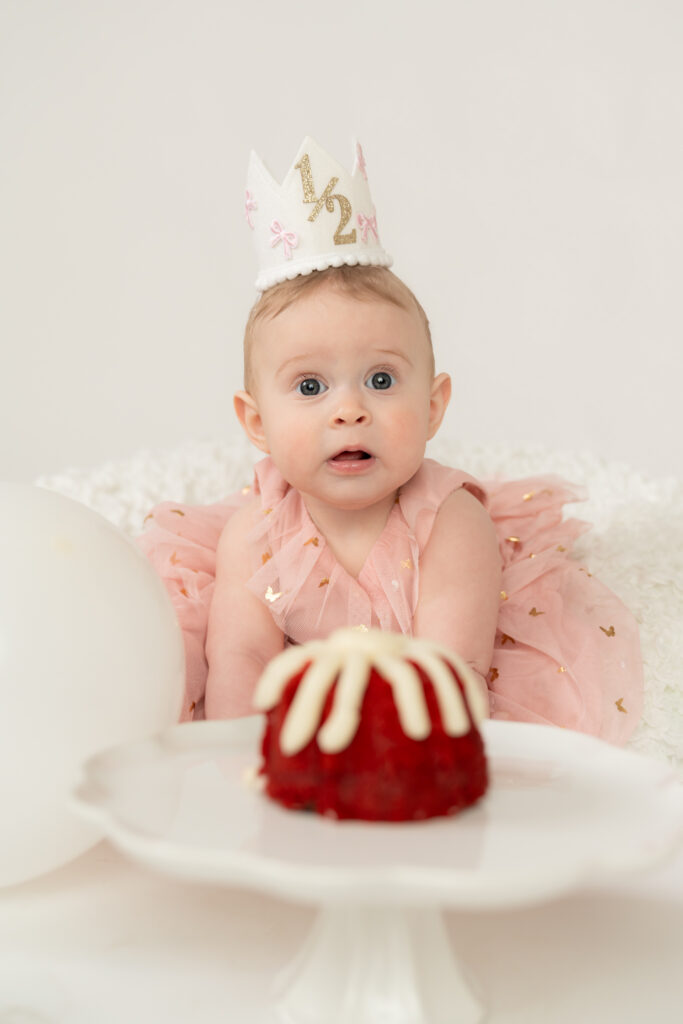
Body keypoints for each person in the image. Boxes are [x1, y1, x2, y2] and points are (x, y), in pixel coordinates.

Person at [139, 137, 643, 742]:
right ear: (256, 425)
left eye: (380, 380)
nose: (349, 410)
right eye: (309, 386)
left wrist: (401, 762)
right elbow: (242, 660)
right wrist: (240, 759)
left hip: (416, 718)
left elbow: (453, 671)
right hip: (305, 708)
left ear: (432, 408)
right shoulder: (254, 537)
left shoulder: (450, 526)